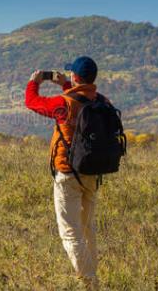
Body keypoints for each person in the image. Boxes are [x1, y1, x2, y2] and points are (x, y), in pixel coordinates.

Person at [25, 56, 103, 290]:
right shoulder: (102, 102)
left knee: (71, 234)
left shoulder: (64, 103)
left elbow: (33, 102)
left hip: (67, 175)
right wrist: (67, 87)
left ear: (75, 77)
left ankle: (90, 283)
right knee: (88, 229)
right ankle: (91, 276)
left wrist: (34, 82)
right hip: (94, 173)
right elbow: (81, 103)